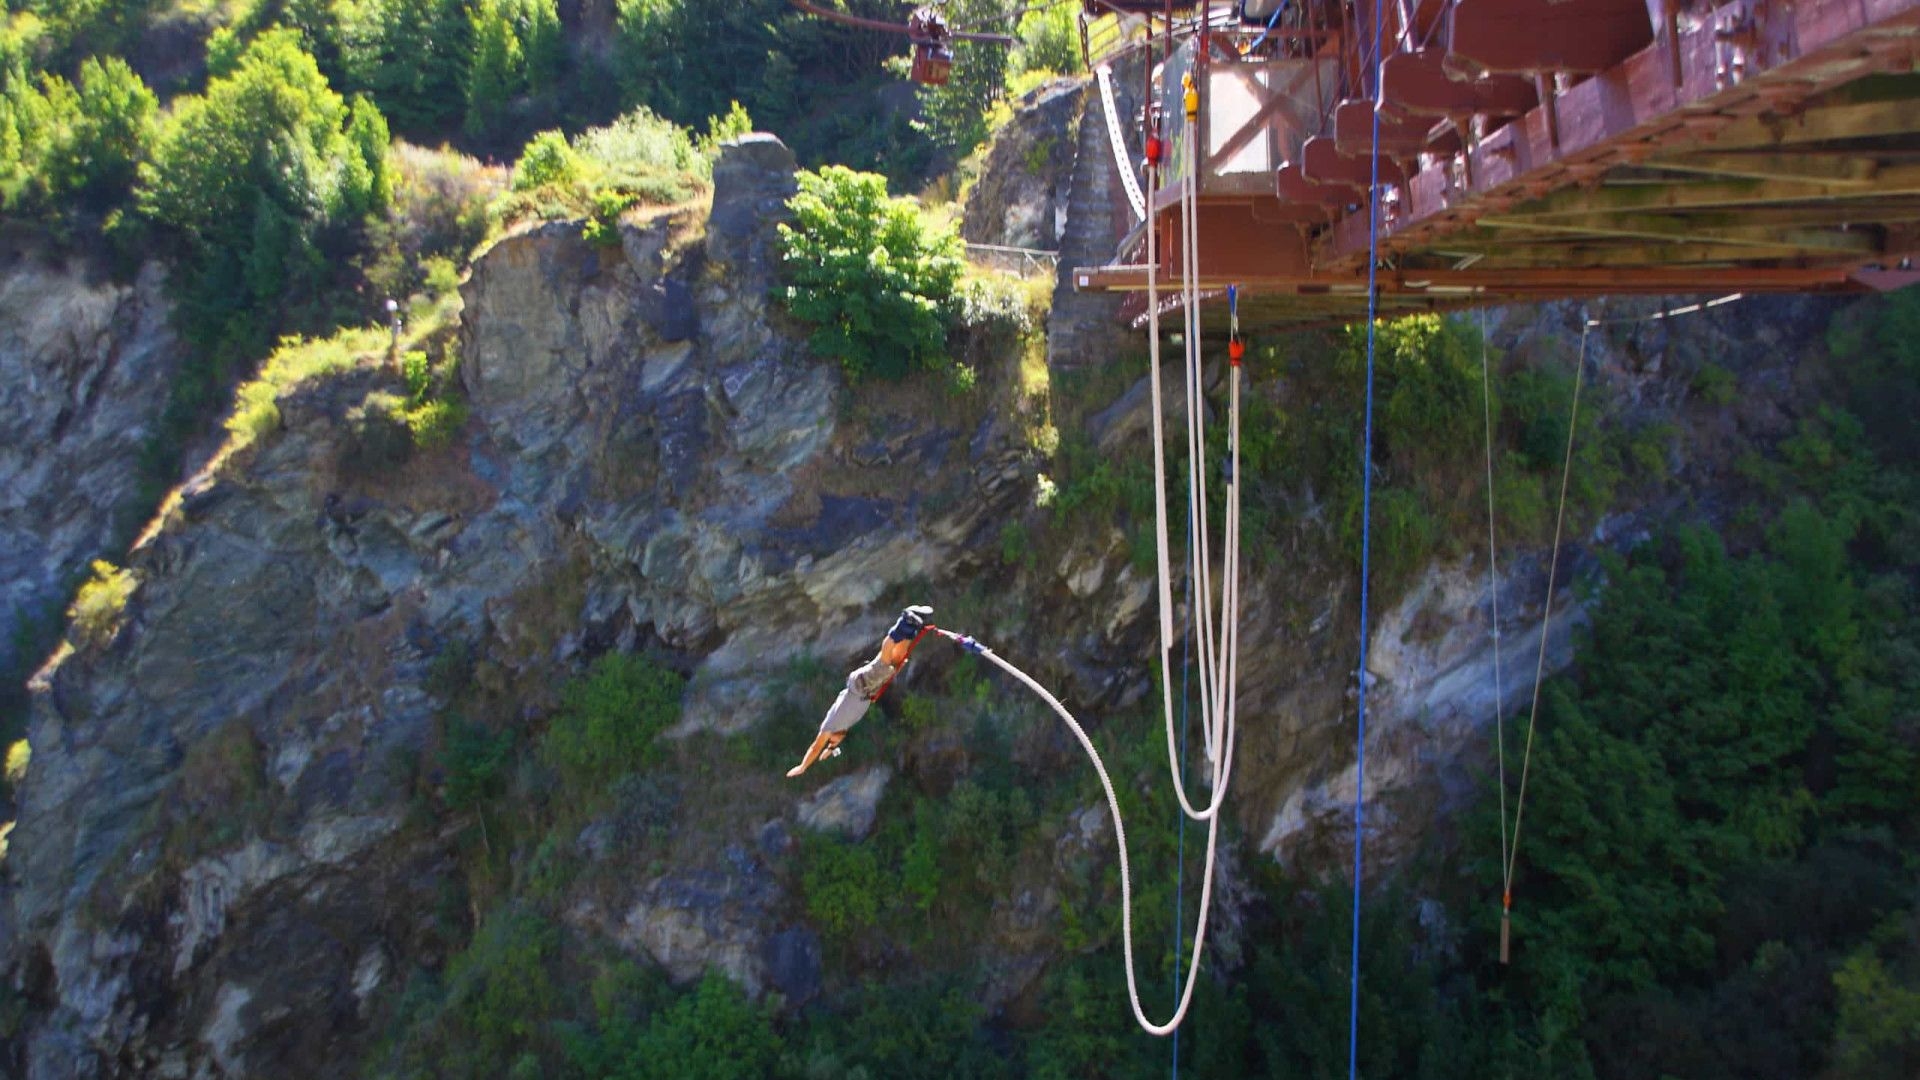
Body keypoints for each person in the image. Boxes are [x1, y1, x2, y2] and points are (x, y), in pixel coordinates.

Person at [786, 606, 933, 778]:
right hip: (865, 688)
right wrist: (830, 751)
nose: (834, 742)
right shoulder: (841, 727)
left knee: (884, 661)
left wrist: (803, 766)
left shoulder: (829, 726)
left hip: (861, 686)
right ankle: (912, 626)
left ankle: (904, 622)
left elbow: (815, 747)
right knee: (897, 661)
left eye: (831, 742)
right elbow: (835, 741)